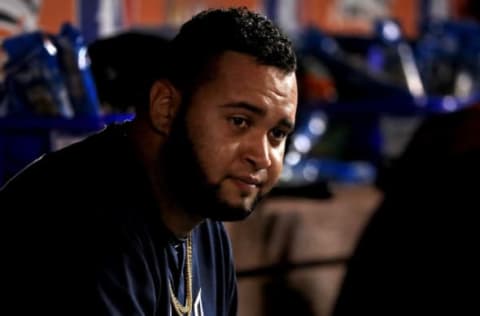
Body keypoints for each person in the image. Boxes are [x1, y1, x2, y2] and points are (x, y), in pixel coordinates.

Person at [0, 7, 298, 316]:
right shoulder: (74, 226)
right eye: (239, 121)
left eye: (277, 133)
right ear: (165, 108)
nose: (262, 156)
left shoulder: (205, 224)